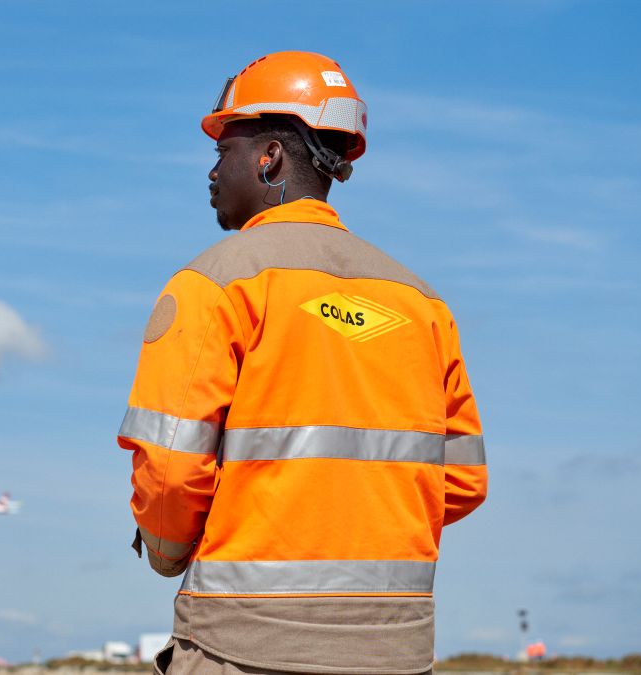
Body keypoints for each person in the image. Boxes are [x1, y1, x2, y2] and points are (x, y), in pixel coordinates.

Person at [117, 51, 487, 674]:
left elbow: (173, 473)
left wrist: (164, 549)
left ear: (269, 157)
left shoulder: (216, 284)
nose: (210, 172)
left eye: (222, 151)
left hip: (244, 644)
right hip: (394, 647)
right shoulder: (422, 303)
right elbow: (462, 481)